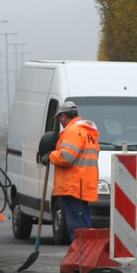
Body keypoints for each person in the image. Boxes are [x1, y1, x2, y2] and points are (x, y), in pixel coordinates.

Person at [42, 100, 100, 242]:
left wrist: (50, 155)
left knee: (77, 226)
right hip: (83, 183)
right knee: (83, 222)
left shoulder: (73, 131)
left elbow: (67, 157)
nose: (60, 122)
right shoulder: (87, 131)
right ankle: (85, 256)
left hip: (73, 184)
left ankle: (82, 257)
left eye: (60, 118)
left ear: (64, 116)